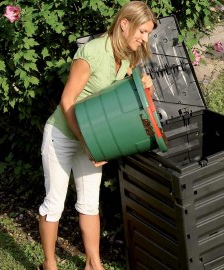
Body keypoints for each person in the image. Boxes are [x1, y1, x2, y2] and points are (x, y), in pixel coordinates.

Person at [37, 2, 157, 270]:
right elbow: (67, 100)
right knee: (54, 201)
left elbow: (118, 95)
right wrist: (87, 144)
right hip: (63, 135)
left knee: (90, 203)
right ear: (124, 24)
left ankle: (94, 264)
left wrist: (142, 84)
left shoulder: (126, 56)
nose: (145, 38)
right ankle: (49, 265)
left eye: (148, 33)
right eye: (143, 31)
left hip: (90, 141)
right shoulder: (91, 53)